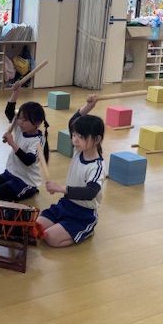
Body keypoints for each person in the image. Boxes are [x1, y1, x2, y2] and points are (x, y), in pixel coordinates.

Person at [37, 95, 105, 247]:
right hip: (66, 204)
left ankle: (86, 230)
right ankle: (64, 226)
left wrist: (61, 188)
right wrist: (89, 106)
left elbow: (90, 192)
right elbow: (73, 121)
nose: (74, 140)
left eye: (80, 137)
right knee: (37, 227)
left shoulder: (97, 167)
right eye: (74, 135)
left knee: (50, 238)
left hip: (83, 214)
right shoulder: (79, 149)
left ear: (97, 139)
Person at [0, 81, 49, 202]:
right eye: (19, 118)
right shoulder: (21, 127)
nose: (20, 122)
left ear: (37, 123)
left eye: (25, 120)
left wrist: (12, 143)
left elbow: (28, 160)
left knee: (0, 193)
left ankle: (31, 189)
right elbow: (9, 112)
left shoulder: (37, 141)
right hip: (12, 172)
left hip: (26, 179)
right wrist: (16, 92)